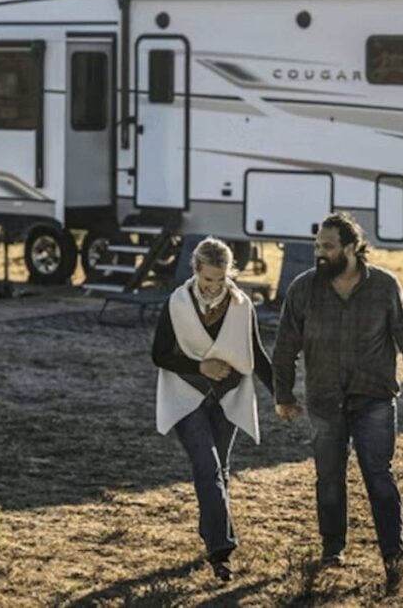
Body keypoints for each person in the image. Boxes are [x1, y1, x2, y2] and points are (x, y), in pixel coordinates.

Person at [271, 212, 403, 596]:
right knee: (329, 478)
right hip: (325, 399)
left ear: (351, 247)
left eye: (327, 247)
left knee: (379, 475)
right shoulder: (304, 289)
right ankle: (333, 550)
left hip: (374, 397)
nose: (319, 253)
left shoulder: (383, 286)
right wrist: (283, 394)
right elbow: (284, 347)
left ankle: (395, 553)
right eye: (317, 246)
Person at [152, 236, 273, 583]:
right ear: (196, 271)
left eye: (220, 280)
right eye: (208, 280)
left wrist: (282, 396)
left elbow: (256, 353)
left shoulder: (240, 304)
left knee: (219, 471)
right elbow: (159, 354)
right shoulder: (176, 303)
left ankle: (211, 535)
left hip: (227, 397)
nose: (214, 287)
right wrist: (199, 367)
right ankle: (222, 552)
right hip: (185, 396)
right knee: (207, 465)